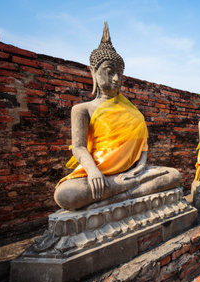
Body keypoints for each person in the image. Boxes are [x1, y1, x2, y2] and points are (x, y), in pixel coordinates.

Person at [54, 22, 179, 210]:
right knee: (66, 194)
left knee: (173, 175)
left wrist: (139, 169)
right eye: (110, 72)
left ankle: (119, 195)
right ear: (93, 72)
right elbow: (79, 148)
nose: (116, 80)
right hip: (100, 174)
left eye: (120, 74)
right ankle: (126, 191)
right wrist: (93, 171)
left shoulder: (132, 111)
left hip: (132, 174)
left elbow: (143, 148)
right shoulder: (82, 109)